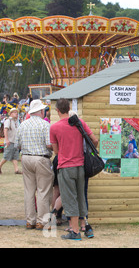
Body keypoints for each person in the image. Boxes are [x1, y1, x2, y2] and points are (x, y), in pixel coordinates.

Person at [50, 99, 98, 240]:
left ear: (57, 110)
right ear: (69, 108)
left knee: (69, 197)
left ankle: (75, 231)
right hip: (80, 166)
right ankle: (85, 226)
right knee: (80, 197)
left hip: (65, 166)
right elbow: (94, 140)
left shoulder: (54, 128)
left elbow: (56, 151)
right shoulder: (80, 123)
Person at [15, 99, 54, 230]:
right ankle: (42, 221)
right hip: (41, 158)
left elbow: (17, 145)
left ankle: (30, 220)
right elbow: (49, 144)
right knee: (43, 190)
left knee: (29, 190)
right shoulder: (45, 125)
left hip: (26, 158)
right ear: (41, 111)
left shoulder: (22, 125)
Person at [0, 108, 22, 175]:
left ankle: (16, 170)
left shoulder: (16, 122)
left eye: (17, 112)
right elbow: (5, 130)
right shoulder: (8, 121)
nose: (16, 114)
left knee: (15, 156)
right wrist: (6, 139)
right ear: (11, 113)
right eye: (15, 112)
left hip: (15, 141)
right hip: (10, 141)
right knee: (7, 156)